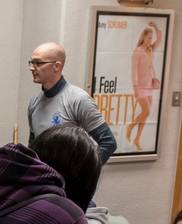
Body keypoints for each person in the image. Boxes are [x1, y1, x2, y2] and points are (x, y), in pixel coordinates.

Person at [28, 41, 117, 163]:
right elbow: (33, 148)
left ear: (57, 66)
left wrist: (84, 175)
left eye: (38, 63)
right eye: (31, 62)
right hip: (45, 180)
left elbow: (108, 142)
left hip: (70, 180)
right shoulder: (34, 102)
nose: (32, 68)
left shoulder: (78, 99)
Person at [124, 21, 163, 151]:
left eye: (151, 38)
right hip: (140, 86)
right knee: (146, 111)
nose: (150, 41)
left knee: (145, 114)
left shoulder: (150, 50)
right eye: (148, 38)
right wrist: (135, 87)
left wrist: (156, 27)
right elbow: (133, 70)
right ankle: (130, 127)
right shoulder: (137, 51)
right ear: (143, 37)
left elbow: (160, 40)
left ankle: (137, 139)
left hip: (149, 86)